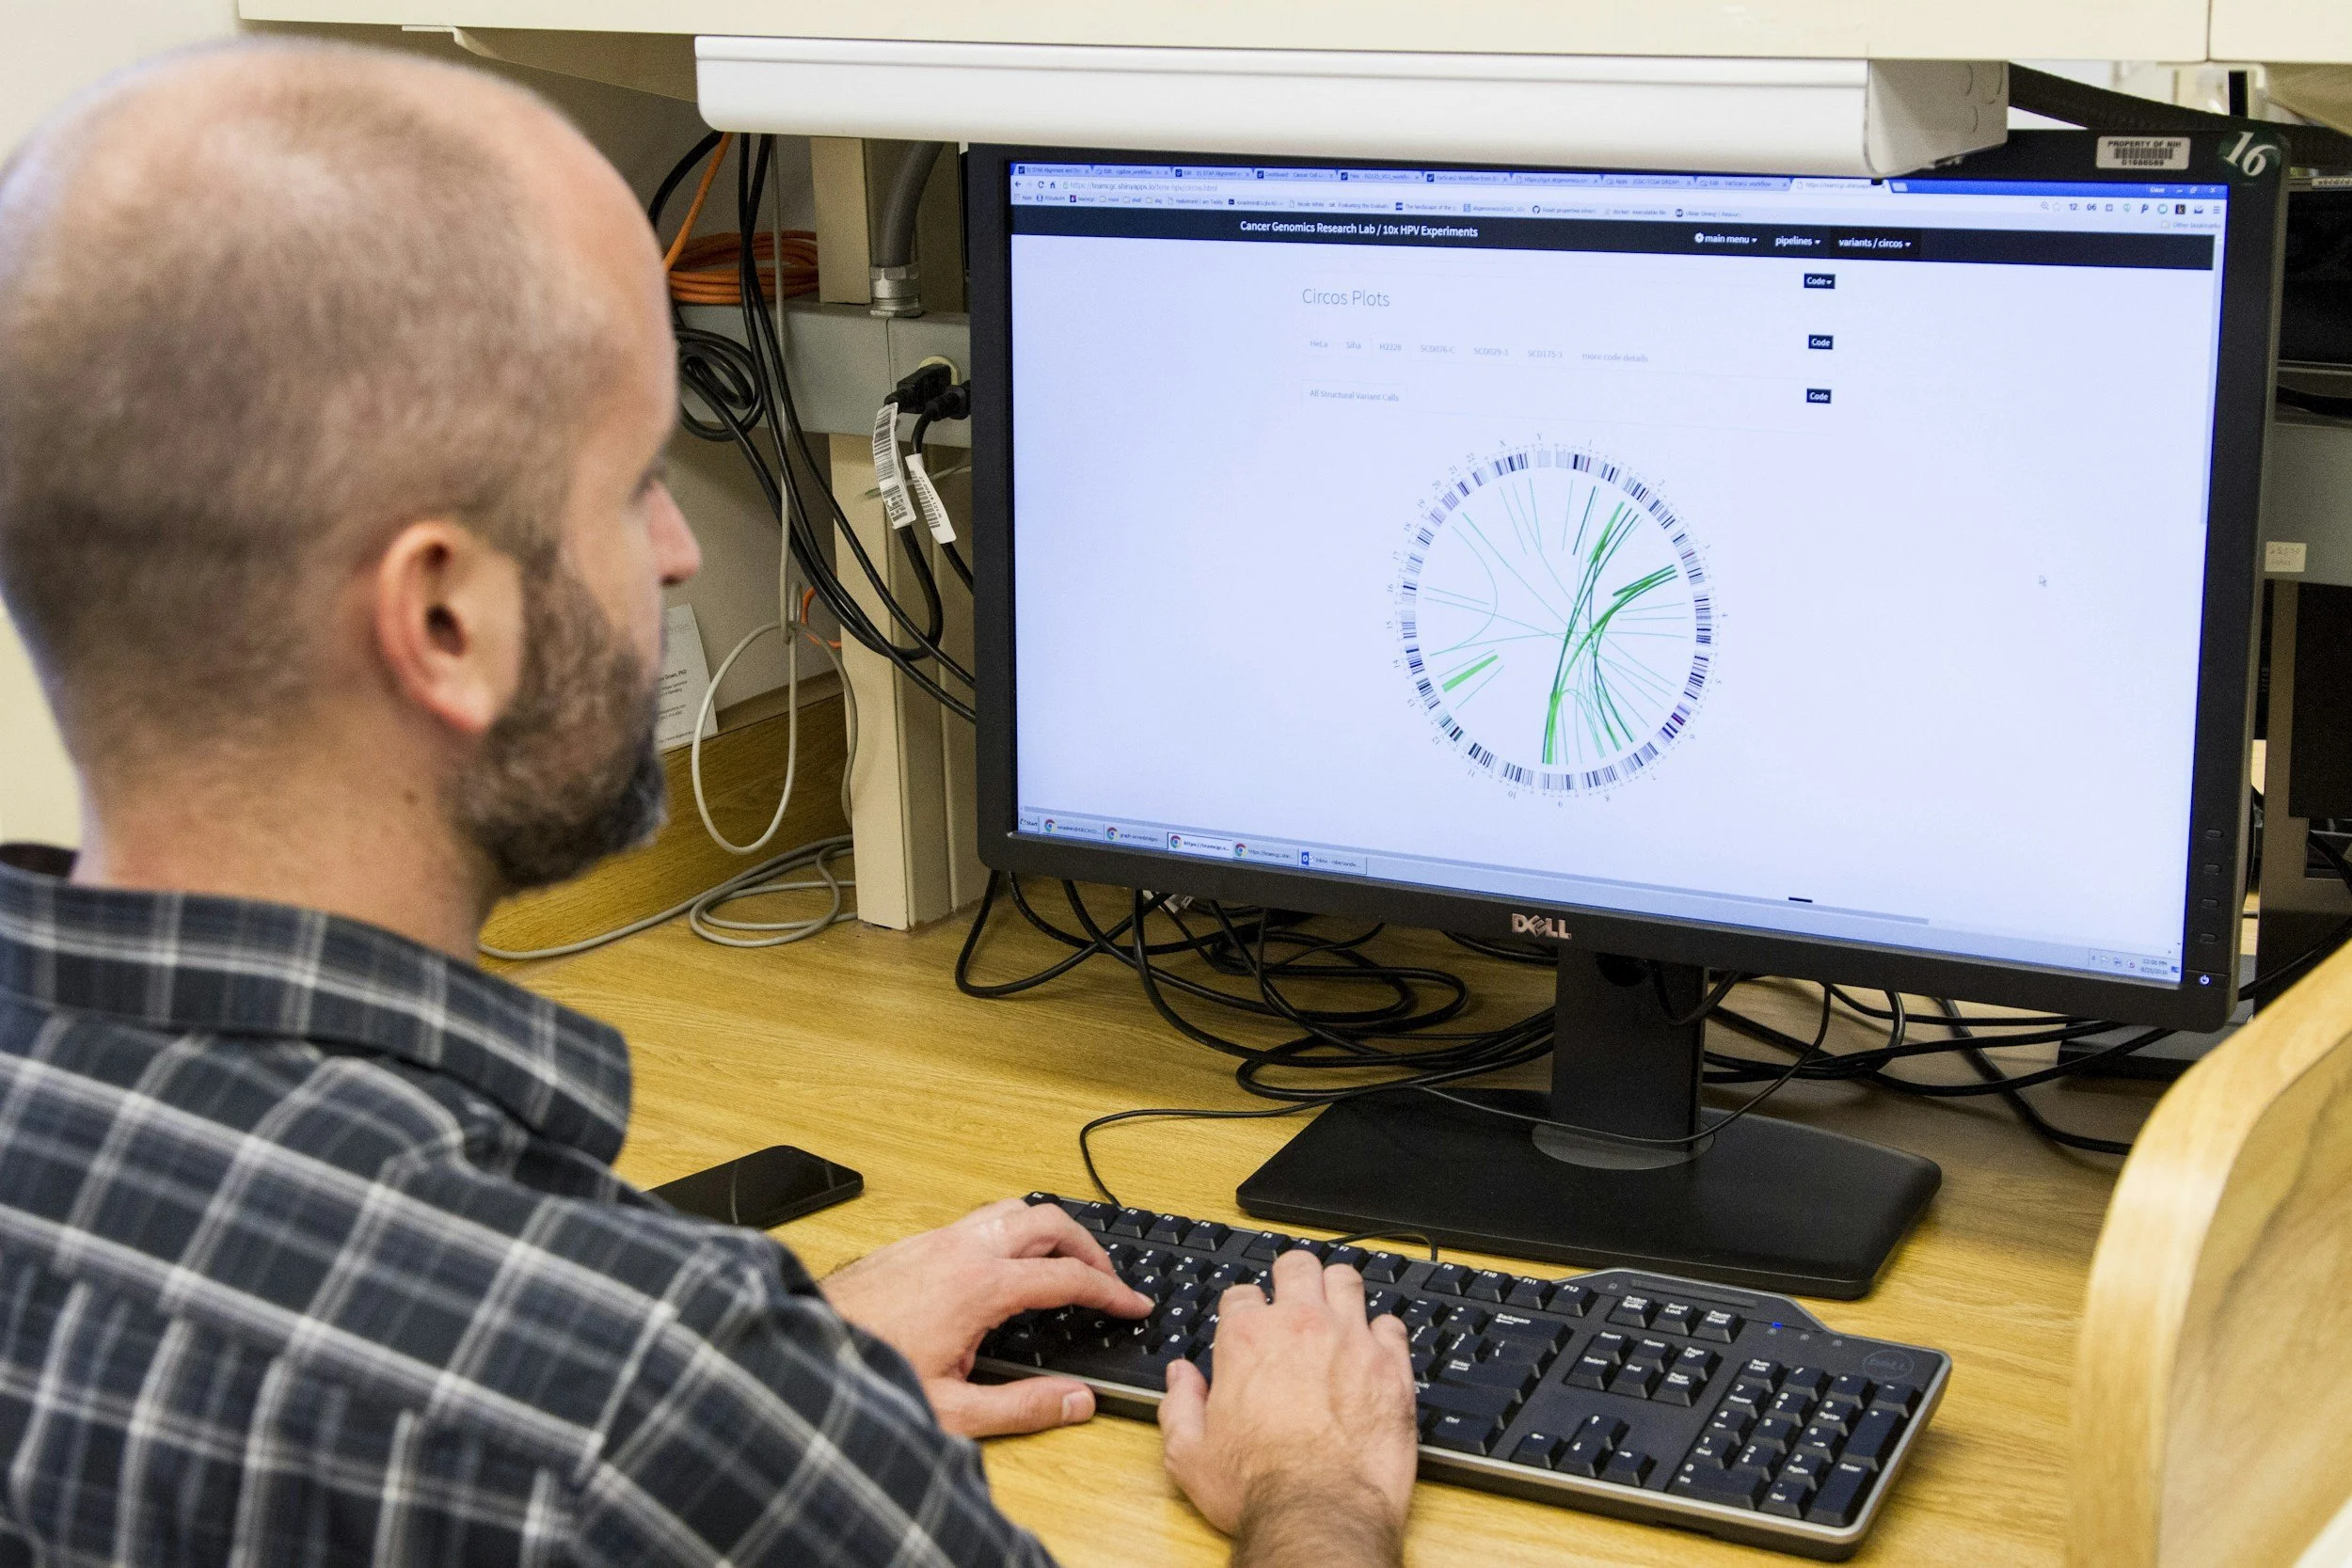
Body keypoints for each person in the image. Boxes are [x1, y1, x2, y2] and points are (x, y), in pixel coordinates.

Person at [0, 38, 1417, 1568]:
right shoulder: (635, 1421)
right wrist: (1312, 1483)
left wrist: (781, 1350)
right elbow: (604, 1413)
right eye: (628, 484)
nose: (679, 551)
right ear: (443, 621)